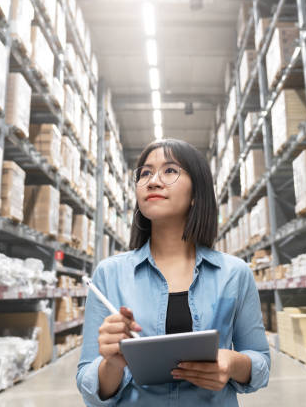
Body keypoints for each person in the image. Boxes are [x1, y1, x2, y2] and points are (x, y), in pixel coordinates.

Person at [76, 139, 270, 406]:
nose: (153, 181)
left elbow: (260, 363)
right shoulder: (109, 274)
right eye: (145, 173)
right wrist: (113, 363)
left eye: (170, 170)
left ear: (196, 193)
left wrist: (233, 363)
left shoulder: (234, 274)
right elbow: (89, 385)